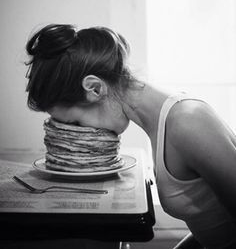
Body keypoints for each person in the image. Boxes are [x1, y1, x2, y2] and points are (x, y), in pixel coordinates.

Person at [25, 23, 236, 249]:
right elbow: (218, 230)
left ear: (95, 88)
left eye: (76, 123)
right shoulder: (161, 122)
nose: (79, 134)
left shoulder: (188, 122)